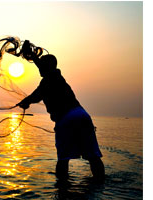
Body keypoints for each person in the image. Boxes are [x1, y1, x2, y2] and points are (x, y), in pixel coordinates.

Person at [16, 40, 105, 180]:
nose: (39, 68)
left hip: (66, 119)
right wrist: (33, 57)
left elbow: (35, 96)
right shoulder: (57, 76)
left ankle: (62, 188)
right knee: (93, 156)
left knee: (63, 159)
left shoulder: (46, 81)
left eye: (41, 66)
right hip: (82, 115)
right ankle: (100, 184)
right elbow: (43, 66)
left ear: (46, 67)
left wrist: (25, 102)